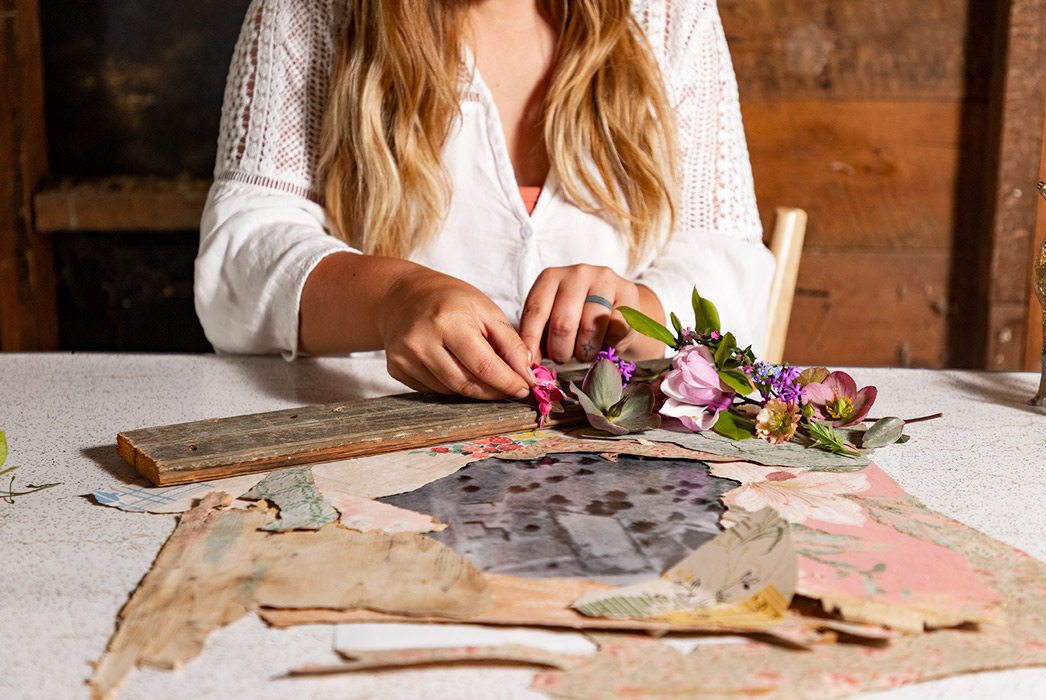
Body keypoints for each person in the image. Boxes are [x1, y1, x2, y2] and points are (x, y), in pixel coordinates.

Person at [195, 0, 774, 401]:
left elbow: (730, 263)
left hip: (610, 459)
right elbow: (241, 256)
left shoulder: (670, 15)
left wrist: (637, 306)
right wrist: (394, 299)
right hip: (368, 443)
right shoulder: (315, 11)